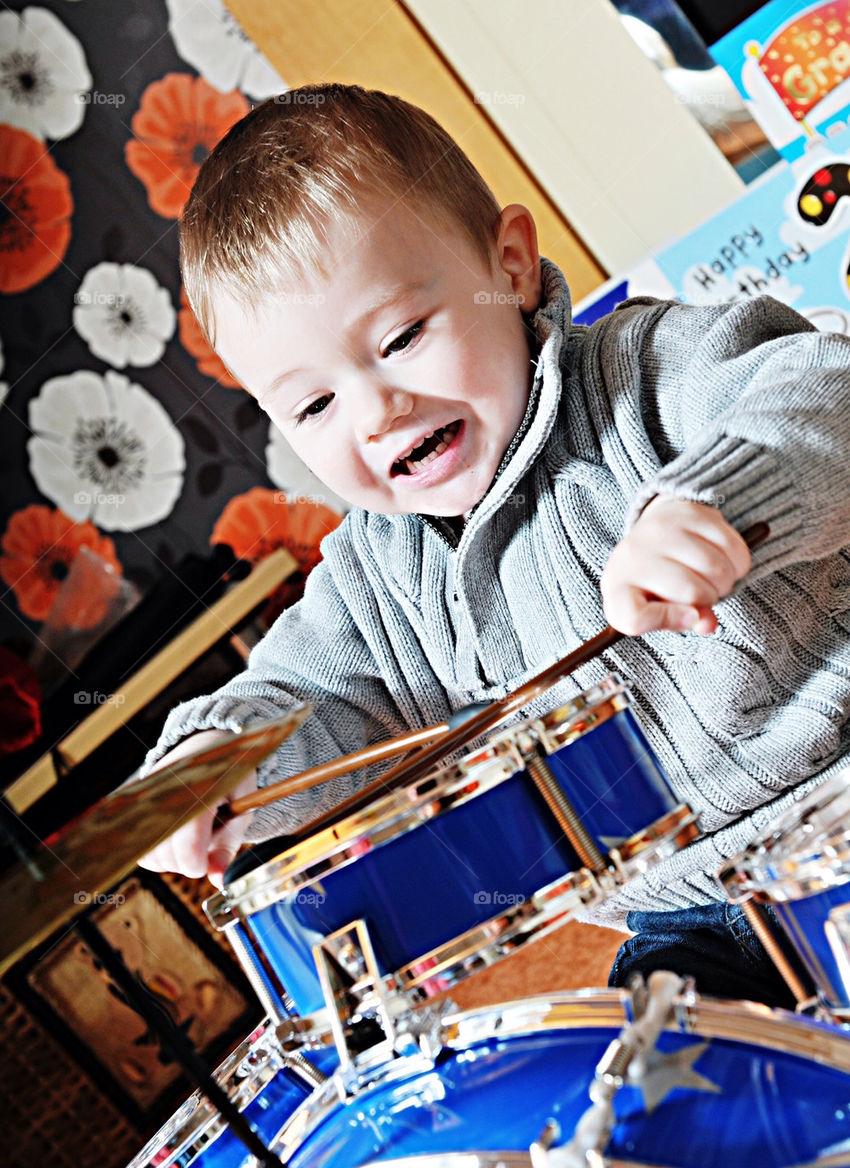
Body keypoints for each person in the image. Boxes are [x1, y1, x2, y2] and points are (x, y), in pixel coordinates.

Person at [140, 84, 850, 1006]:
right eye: (313, 405)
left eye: (400, 337)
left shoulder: (646, 372)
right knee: (648, 1082)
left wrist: (717, 501)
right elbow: (305, 696)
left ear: (509, 265)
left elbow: (823, 387)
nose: (377, 412)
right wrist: (215, 769)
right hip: (680, 910)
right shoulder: (375, 574)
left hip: (835, 793)